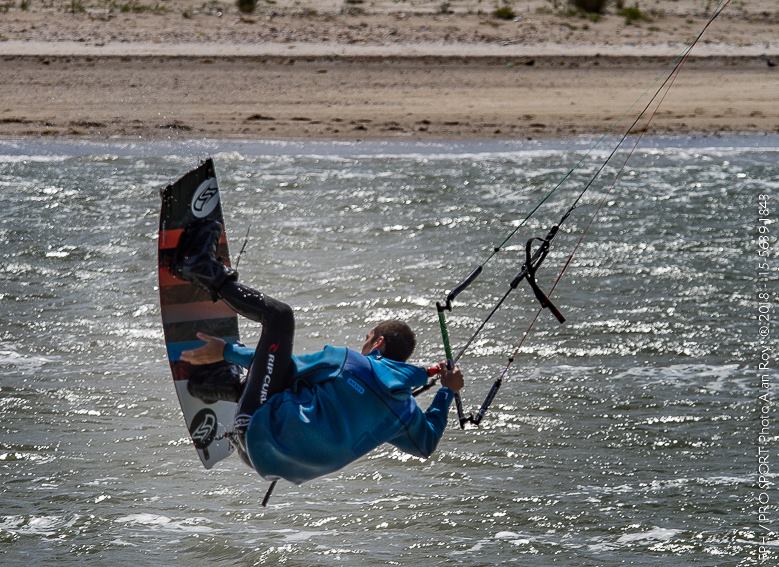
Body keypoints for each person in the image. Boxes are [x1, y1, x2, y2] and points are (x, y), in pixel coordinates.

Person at [173, 219, 464, 485]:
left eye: (367, 338)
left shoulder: (353, 364)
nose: (362, 344)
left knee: (280, 317)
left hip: (257, 429)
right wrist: (446, 392)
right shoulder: (405, 412)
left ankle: (203, 268)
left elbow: (283, 365)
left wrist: (227, 351)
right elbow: (426, 444)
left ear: (379, 344)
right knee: (296, 391)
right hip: (265, 462)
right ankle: (212, 385)